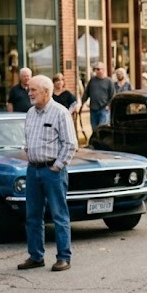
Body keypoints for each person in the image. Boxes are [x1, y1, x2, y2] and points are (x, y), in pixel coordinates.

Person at [18, 75, 78, 273]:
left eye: (33, 90)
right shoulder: (30, 113)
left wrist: (58, 165)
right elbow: (28, 138)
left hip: (53, 171)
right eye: (29, 89)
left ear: (46, 91)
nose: (29, 93)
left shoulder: (60, 113)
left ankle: (63, 257)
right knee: (32, 215)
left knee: (59, 214)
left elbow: (70, 144)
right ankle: (36, 256)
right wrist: (28, 151)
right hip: (33, 169)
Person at [83, 62, 114, 128]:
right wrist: (83, 102)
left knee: (102, 128)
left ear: (104, 69)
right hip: (93, 109)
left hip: (104, 109)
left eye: (100, 69)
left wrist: (108, 105)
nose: (98, 71)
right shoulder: (92, 81)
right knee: (94, 129)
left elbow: (112, 95)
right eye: (97, 69)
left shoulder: (109, 81)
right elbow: (86, 92)